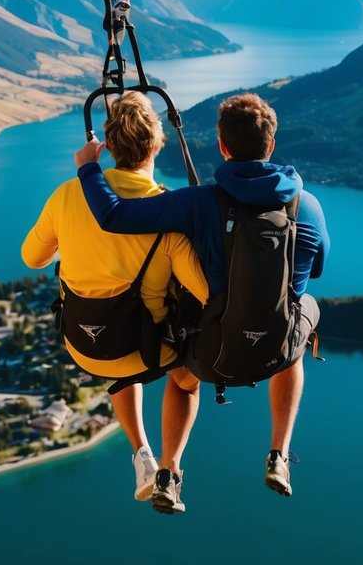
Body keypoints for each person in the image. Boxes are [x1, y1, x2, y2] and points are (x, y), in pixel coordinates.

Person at [75, 92, 330, 499]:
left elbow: (113, 216)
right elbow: (314, 269)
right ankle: (279, 453)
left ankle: (170, 471)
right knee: (304, 314)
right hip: (275, 351)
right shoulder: (309, 207)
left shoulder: (197, 203)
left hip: (213, 353)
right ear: (272, 144)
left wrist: (89, 169)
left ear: (222, 145)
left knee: (182, 381)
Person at [21, 92, 208, 514]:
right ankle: (169, 468)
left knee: (121, 356)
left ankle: (140, 451)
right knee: (185, 380)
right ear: (157, 144)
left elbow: (32, 257)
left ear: (108, 144)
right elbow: (204, 292)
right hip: (143, 350)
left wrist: (76, 241)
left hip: (86, 346)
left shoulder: (68, 195)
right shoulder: (167, 212)